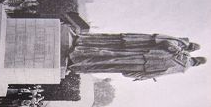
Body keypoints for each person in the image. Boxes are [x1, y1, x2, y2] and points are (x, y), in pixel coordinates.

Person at [69, 33, 206, 80]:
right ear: (197, 64)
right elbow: (160, 73)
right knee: (110, 63)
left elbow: (165, 43)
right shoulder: (181, 69)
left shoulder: (183, 56)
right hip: (143, 67)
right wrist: (140, 75)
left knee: (110, 55)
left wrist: (178, 49)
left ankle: (78, 54)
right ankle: (77, 64)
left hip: (143, 56)